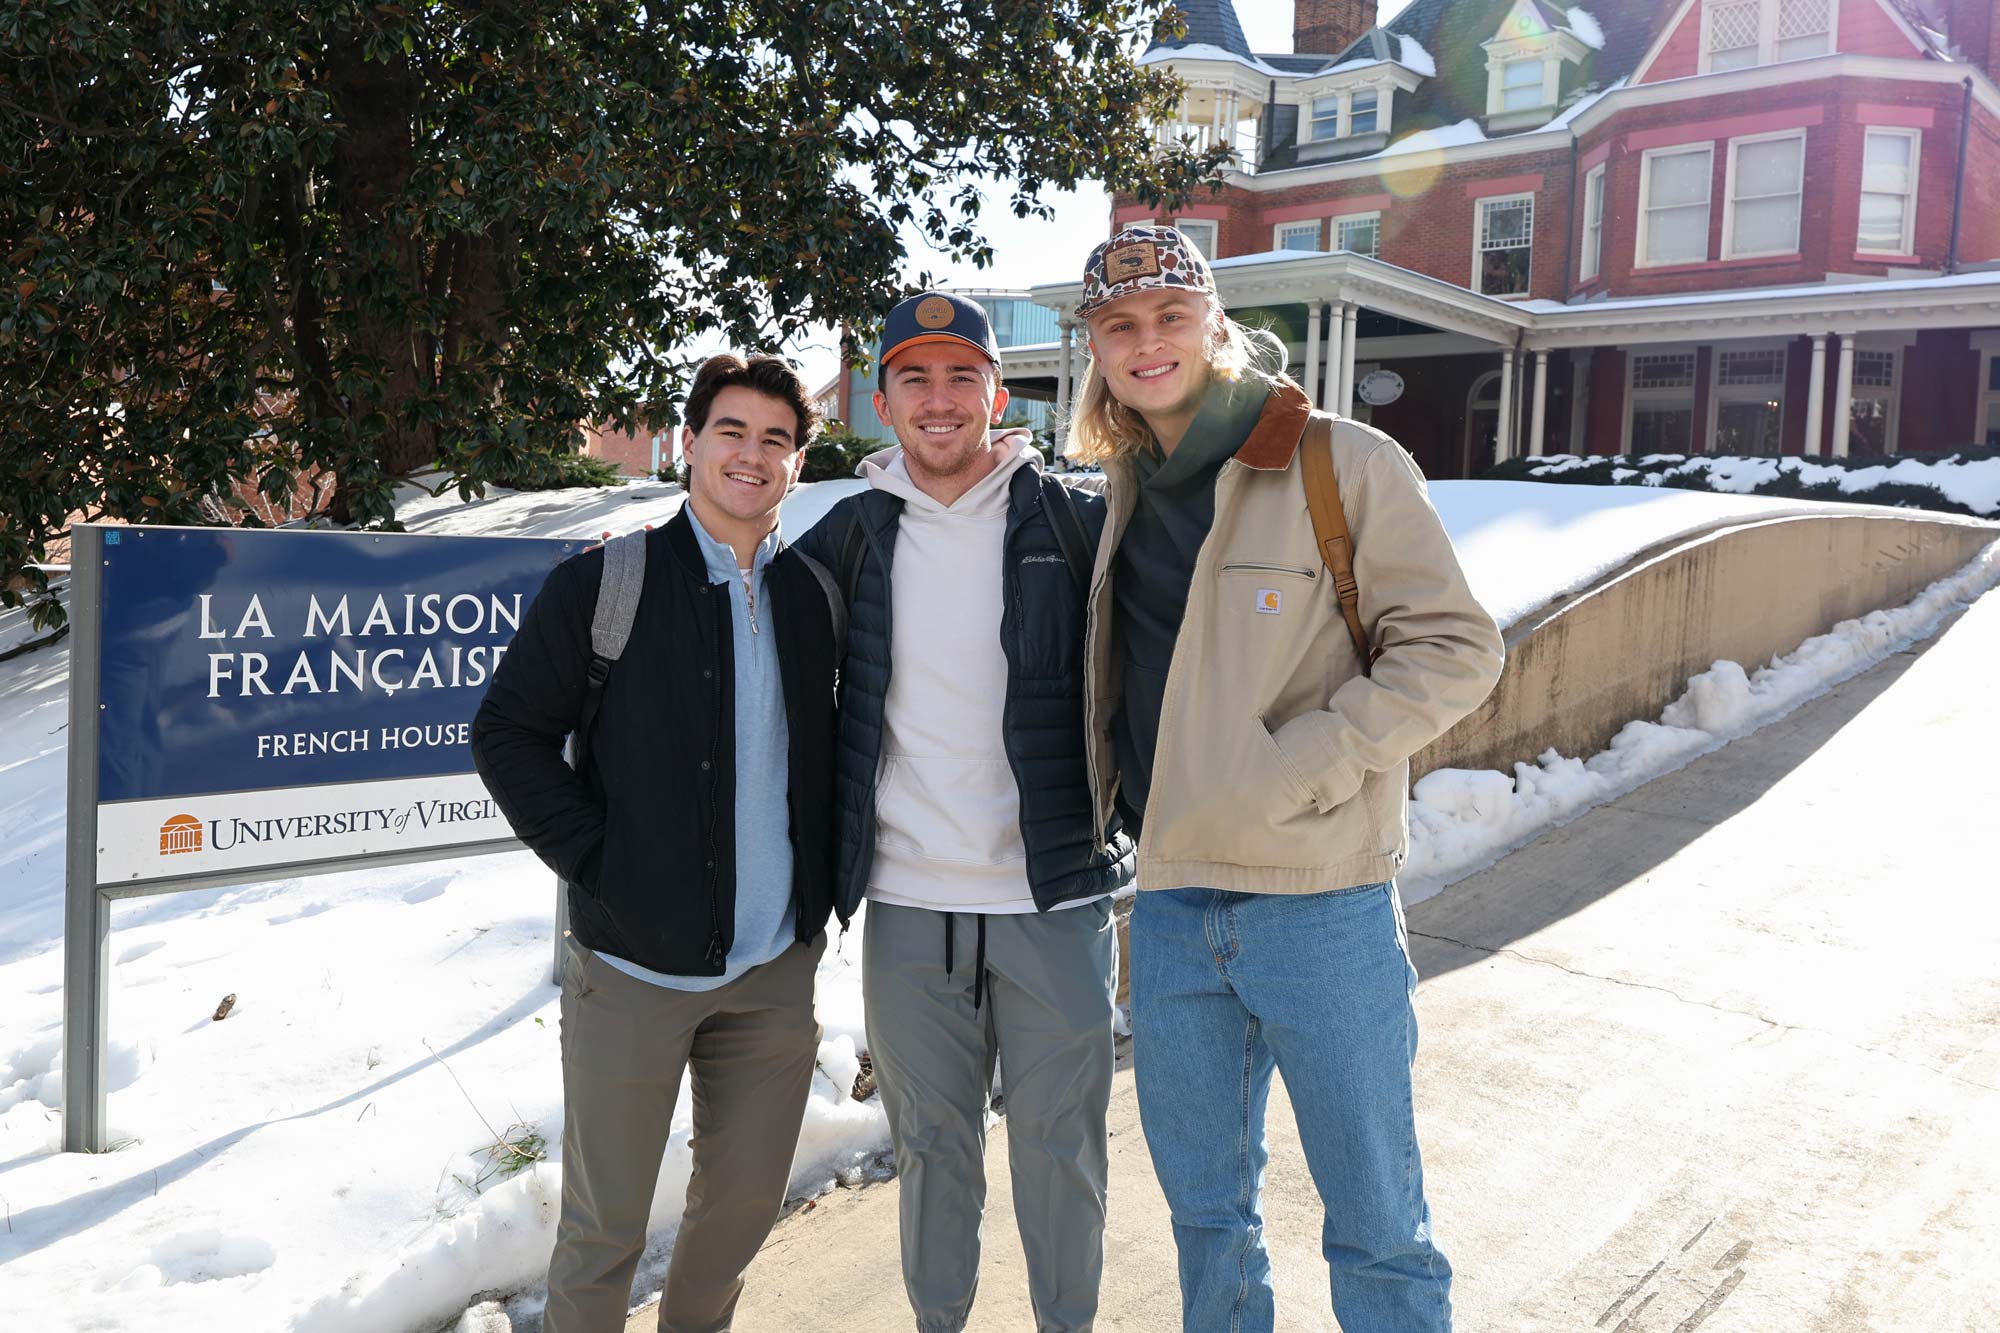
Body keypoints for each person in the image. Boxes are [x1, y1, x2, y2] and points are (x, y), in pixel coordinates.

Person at [1067, 225, 1504, 1332]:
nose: (1145, 340)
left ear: (1212, 323)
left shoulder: (1336, 459)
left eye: (1170, 316)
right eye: (1119, 324)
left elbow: (1454, 648)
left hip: (1319, 902)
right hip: (1169, 907)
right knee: (1206, 1218)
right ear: (1095, 347)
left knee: (1376, 1220)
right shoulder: (1117, 487)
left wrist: (1305, 764)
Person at [470, 353, 841, 1333]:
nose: (751, 455)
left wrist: (821, 896)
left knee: (740, 1211)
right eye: (731, 430)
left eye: (775, 438)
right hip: (632, 969)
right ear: (688, 443)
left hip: (772, 972)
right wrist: (600, 863)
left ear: (796, 463)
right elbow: (503, 732)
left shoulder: (811, 597)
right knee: (604, 1233)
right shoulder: (606, 582)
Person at [793, 291, 1133, 1333]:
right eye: (913, 378)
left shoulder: (1077, 524)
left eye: (959, 377)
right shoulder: (845, 535)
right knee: (933, 1150)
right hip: (905, 906)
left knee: (1059, 1146)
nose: (937, 401)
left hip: (1052, 898)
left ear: (996, 391)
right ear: (882, 399)